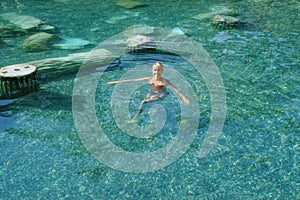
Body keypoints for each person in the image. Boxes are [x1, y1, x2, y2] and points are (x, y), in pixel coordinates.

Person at [108, 61, 189, 122]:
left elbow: (176, 89)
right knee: (149, 104)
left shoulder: (165, 81)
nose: (157, 72)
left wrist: (183, 98)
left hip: (161, 94)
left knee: (144, 102)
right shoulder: (150, 79)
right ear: (152, 70)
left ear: (162, 71)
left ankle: (135, 118)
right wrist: (116, 82)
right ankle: (154, 113)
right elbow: (133, 80)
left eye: (159, 70)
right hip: (152, 93)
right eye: (155, 70)